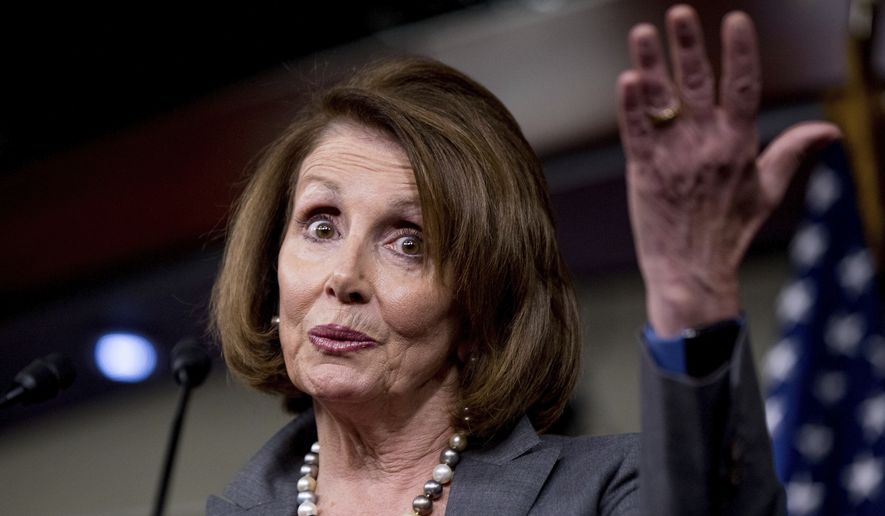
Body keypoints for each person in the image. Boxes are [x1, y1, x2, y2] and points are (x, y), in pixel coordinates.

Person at [207, 5, 839, 515]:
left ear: (484, 304)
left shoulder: (607, 493)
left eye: (409, 242)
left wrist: (690, 293)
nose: (344, 277)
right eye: (320, 225)